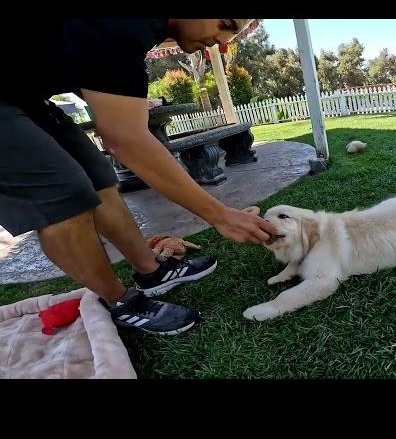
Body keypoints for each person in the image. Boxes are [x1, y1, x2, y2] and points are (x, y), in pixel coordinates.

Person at [0, 19, 278, 336]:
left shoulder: (136, 29)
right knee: (64, 194)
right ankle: (119, 302)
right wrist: (220, 216)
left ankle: (150, 271)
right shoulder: (124, 24)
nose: (224, 42)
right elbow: (126, 141)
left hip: (23, 92)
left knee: (98, 175)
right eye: (225, 23)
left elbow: (86, 63)